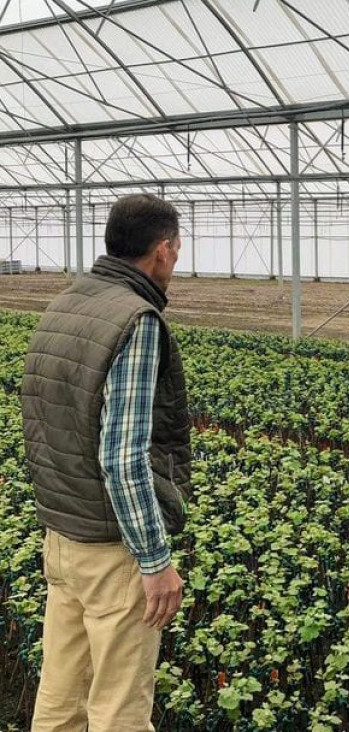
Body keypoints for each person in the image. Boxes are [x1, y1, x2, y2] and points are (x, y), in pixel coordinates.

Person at [20, 194, 191, 731]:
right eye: (177, 248)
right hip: (113, 548)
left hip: (63, 538)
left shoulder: (66, 303)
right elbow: (122, 458)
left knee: (61, 696)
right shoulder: (135, 321)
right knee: (119, 709)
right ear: (162, 251)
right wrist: (154, 560)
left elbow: (43, 423)